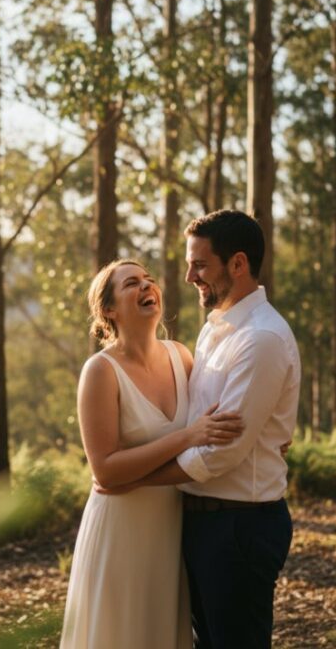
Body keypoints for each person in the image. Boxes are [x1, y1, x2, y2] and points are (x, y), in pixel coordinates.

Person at [100, 210, 301, 648]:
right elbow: (197, 424)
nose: (189, 276)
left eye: (200, 265)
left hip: (238, 529)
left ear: (238, 264)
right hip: (199, 526)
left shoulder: (260, 339)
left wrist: (134, 479)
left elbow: (218, 454)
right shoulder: (214, 332)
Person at [59, 259, 245, 649]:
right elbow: (105, 471)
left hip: (171, 531)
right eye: (131, 284)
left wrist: (265, 436)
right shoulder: (100, 371)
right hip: (120, 531)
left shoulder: (182, 356)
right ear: (109, 310)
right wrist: (186, 437)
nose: (146, 286)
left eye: (148, 280)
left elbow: (217, 421)